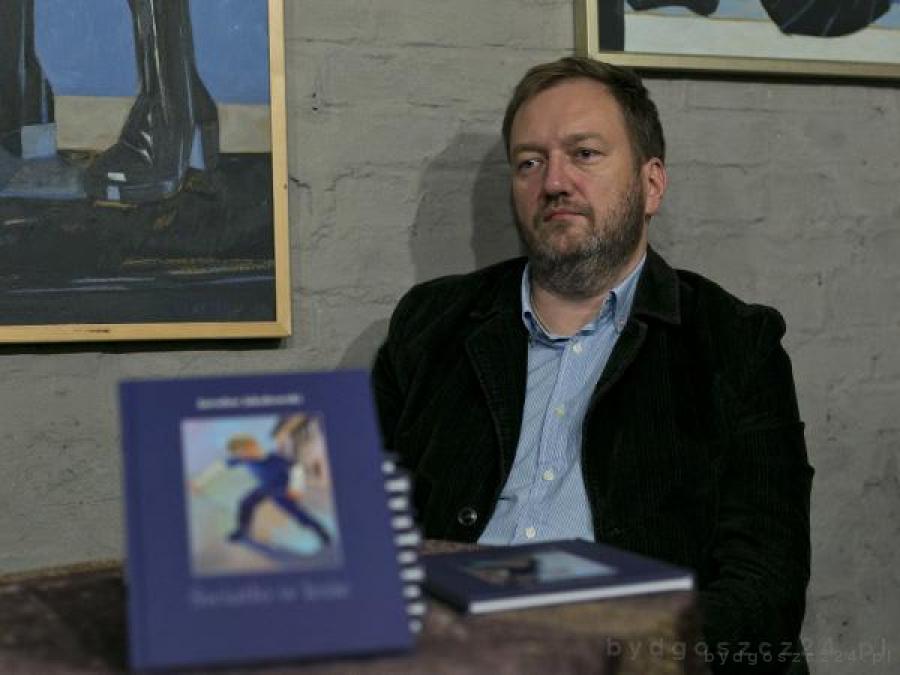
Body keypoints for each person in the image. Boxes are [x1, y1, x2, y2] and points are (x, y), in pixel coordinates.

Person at [373, 56, 813, 672]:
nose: (554, 182)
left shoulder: (735, 343)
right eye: (530, 162)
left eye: (584, 154)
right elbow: (363, 528)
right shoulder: (431, 324)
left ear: (651, 184)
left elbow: (763, 585)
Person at [225, 433, 331, 548]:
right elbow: (228, 462)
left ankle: (322, 533)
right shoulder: (244, 459)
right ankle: (242, 530)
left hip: (281, 489)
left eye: (245, 451)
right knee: (246, 503)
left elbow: (297, 468)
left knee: (296, 513)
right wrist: (228, 462)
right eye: (240, 453)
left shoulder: (275, 459)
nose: (244, 456)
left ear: (254, 447)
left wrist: (296, 488)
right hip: (265, 487)